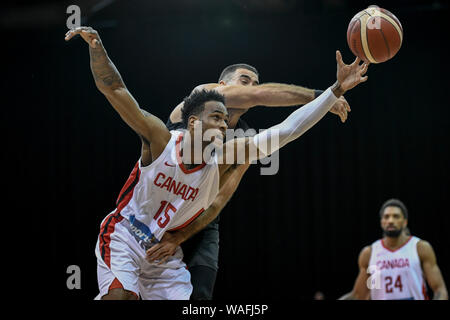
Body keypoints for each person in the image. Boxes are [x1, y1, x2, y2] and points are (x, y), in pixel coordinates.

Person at [65, 26, 369, 299]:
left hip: (169, 246)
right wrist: (97, 47)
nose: (225, 126)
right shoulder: (163, 136)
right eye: (217, 118)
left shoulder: (228, 155)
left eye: (225, 121)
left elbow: (286, 131)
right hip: (127, 234)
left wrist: (336, 90)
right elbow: (116, 89)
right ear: (194, 122)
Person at [148, 63, 353, 300]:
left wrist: (181, 236)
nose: (253, 87)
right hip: (155, 209)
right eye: (244, 80)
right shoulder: (202, 97)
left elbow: (219, 199)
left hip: (198, 219)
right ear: (223, 85)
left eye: (256, 82)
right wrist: (326, 95)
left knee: (200, 298)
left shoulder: (243, 139)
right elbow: (258, 96)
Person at [339, 199, 448, 300]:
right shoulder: (369, 253)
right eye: (386, 217)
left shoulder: (420, 248)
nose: (390, 220)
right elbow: (359, 295)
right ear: (381, 222)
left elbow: (440, 290)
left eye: (396, 216)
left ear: (405, 222)